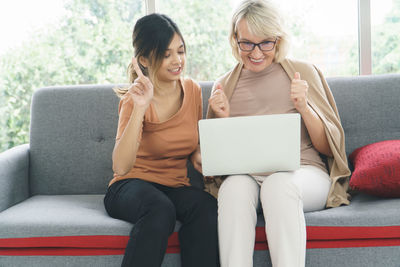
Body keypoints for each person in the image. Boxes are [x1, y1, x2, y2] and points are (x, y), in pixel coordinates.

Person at [198, 0, 351, 266]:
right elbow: (216, 166)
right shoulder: (224, 85)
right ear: (235, 40)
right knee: (232, 188)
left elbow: (329, 149)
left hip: (304, 176)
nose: (256, 53)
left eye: (265, 43)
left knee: (278, 185)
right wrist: (222, 120)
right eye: (247, 43)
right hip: (248, 179)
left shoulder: (302, 73)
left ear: (278, 40)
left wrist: (303, 106)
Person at [103, 13, 219, 267]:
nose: (178, 61)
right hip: (129, 186)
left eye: (181, 51)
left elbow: (189, 143)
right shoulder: (133, 99)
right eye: (167, 55)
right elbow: (120, 167)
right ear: (144, 59)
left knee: (207, 208)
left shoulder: (193, 90)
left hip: (175, 185)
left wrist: (202, 155)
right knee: (159, 209)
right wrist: (140, 108)